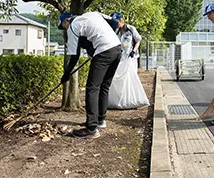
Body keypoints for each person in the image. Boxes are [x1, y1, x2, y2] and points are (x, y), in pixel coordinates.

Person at [58, 11, 122, 139]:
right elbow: (115, 23)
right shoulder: (92, 14)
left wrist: (66, 75)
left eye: (63, 27)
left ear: (66, 21)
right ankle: (100, 121)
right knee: (104, 86)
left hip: (104, 51)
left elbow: (74, 56)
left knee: (92, 88)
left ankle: (91, 129)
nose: (65, 30)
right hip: (117, 48)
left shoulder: (72, 27)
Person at [107, 12, 149, 109]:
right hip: (121, 58)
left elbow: (138, 40)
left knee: (131, 77)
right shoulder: (115, 31)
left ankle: (131, 100)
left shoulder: (131, 29)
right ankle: (119, 100)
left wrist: (133, 51)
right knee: (119, 78)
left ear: (121, 20)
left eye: (116, 22)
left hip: (131, 58)